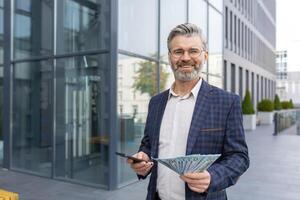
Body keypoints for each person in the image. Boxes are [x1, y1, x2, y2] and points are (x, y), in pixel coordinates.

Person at [127, 23, 249, 200]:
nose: (185, 58)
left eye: (193, 51)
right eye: (178, 51)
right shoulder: (156, 103)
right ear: (169, 57)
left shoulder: (227, 102)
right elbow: (148, 144)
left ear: (204, 56)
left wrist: (213, 177)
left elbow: (239, 157)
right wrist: (143, 157)